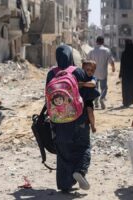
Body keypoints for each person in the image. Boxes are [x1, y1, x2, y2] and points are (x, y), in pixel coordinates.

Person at [46, 45, 99, 192]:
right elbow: (91, 94)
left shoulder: (51, 73)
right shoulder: (78, 72)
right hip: (79, 119)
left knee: (63, 152)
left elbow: (48, 97)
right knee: (83, 147)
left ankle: (64, 184)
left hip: (59, 121)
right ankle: (80, 171)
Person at [87, 36, 115, 109]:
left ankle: (96, 101)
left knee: (94, 87)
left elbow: (87, 62)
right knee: (104, 88)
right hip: (103, 73)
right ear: (103, 42)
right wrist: (113, 67)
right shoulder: (106, 50)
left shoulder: (91, 51)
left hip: (93, 73)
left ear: (96, 42)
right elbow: (111, 61)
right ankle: (102, 98)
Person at [119, 39, 133, 107]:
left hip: (126, 74)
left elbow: (122, 64)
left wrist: (120, 74)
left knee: (126, 88)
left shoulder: (124, 53)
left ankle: (126, 102)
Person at [79, 60, 99, 133]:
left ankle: (93, 126)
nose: (90, 72)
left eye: (92, 70)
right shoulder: (81, 77)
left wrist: (83, 84)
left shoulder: (93, 78)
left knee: (90, 111)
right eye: (87, 70)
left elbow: (93, 84)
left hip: (88, 99)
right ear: (83, 69)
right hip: (79, 98)